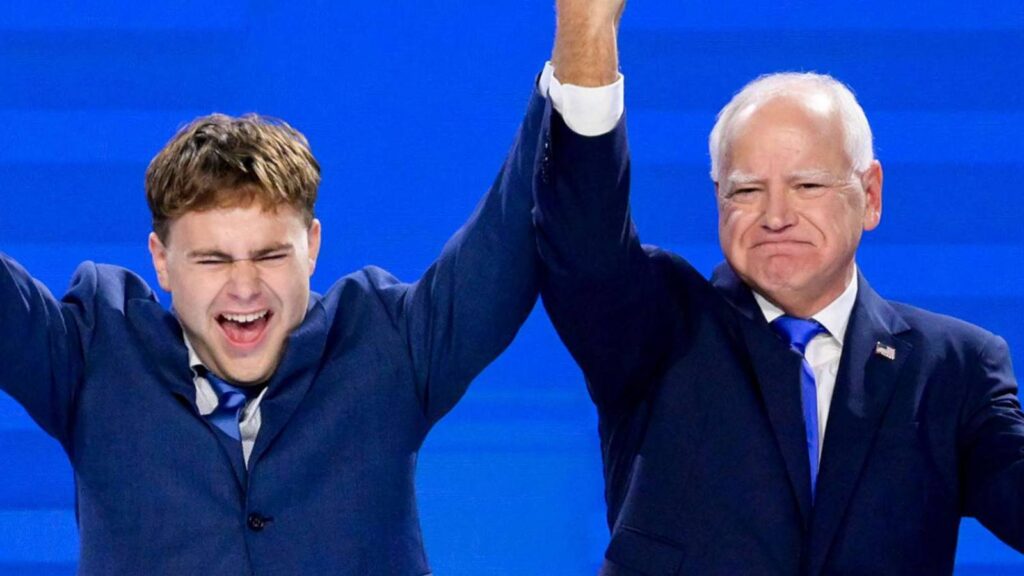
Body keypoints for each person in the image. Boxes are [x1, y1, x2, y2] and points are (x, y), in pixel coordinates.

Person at [0, 64, 548, 576]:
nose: (244, 286)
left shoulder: (388, 343)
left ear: (311, 247)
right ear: (161, 260)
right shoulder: (96, 355)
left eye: (269, 255)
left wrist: (579, 58)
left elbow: (506, 243)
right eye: (213, 259)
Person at [536, 1, 1024, 574]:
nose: (775, 216)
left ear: (869, 195)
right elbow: (584, 238)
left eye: (807, 184)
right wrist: (586, 27)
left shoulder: (955, 368)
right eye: (746, 191)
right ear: (717, 197)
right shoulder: (660, 326)